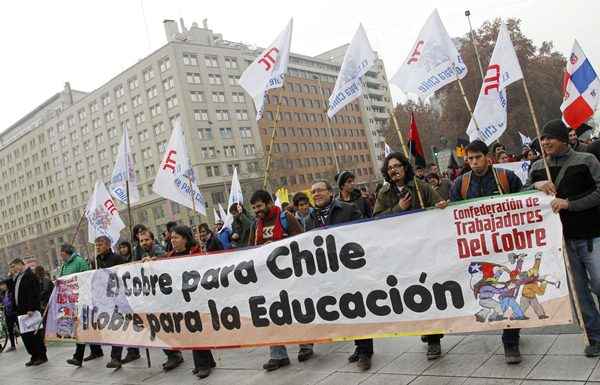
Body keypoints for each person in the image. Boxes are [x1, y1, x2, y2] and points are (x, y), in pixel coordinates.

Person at [528, 119, 600, 356]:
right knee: (579, 292)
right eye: (543, 138)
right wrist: (535, 185)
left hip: (591, 236)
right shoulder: (537, 167)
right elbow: (522, 197)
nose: (546, 142)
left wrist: (570, 204)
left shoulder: (586, 160)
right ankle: (595, 336)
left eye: (550, 137)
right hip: (560, 242)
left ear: (563, 138)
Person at [450, 140, 523, 364]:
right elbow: (453, 214)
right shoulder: (460, 184)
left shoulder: (505, 178)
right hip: (479, 250)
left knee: (509, 292)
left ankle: (511, 343)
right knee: (485, 292)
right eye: (470, 159)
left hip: (506, 245)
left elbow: (525, 201)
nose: (473, 163)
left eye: (477, 158)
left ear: (487, 157)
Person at [374, 152, 447, 360]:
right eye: (389, 168)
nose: (394, 170)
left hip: (424, 249)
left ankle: (434, 339)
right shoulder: (384, 192)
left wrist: (441, 205)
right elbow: (377, 219)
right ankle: (426, 329)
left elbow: (439, 204)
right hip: (401, 253)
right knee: (415, 294)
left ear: (405, 167)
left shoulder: (420, 186)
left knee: (429, 291)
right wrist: (399, 208)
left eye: (397, 166)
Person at [304, 180, 369, 368]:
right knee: (348, 311)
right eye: (313, 191)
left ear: (330, 193)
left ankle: (365, 351)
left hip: (351, 268)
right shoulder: (310, 220)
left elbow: (363, 233)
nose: (316, 194)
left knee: (359, 309)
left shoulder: (348, 210)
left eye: (319, 190)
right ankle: (359, 346)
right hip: (330, 273)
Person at [248, 190, 313, 371]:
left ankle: (306, 345)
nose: (257, 210)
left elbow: (301, 242)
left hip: (290, 275)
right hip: (267, 278)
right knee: (271, 314)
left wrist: (277, 247)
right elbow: (251, 249)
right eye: (254, 208)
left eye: (259, 206)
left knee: (296, 310)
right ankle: (278, 355)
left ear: (269, 203)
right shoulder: (256, 225)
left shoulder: (287, 218)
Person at [163, 225, 216, 378]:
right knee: (192, 329)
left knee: (196, 329)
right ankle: (208, 361)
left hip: (197, 298)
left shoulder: (197, 253)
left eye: (176, 237)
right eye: (171, 238)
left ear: (185, 238)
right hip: (182, 300)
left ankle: (203, 365)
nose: (172, 240)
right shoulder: (170, 257)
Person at [61, 243, 105, 367]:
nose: (61, 255)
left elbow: (87, 277)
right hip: (73, 300)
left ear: (67, 252)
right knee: (87, 326)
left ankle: (78, 357)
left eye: (62, 253)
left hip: (83, 299)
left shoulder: (79, 262)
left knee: (81, 327)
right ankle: (96, 350)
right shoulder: (64, 265)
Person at [9, 258, 47, 366]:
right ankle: (33, 356)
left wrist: (31, 308)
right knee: (26, 335)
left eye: (14, 266)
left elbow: (33, 293)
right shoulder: (17, 277)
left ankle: (42, 355)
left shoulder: (30, 275)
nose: (13, 269)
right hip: (20, 311)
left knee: (35, 334)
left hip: (30, 310)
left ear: (20, 264)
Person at [0, 279, 17, 352]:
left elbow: (14, 301)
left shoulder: (12, 292)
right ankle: (13, 345)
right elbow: (2, 302)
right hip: (8, 313)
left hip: (14, 312)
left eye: (3, 285)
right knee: (10, 330)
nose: (1, 287)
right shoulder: (2, 293)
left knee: (21, 327)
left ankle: (28, 342)